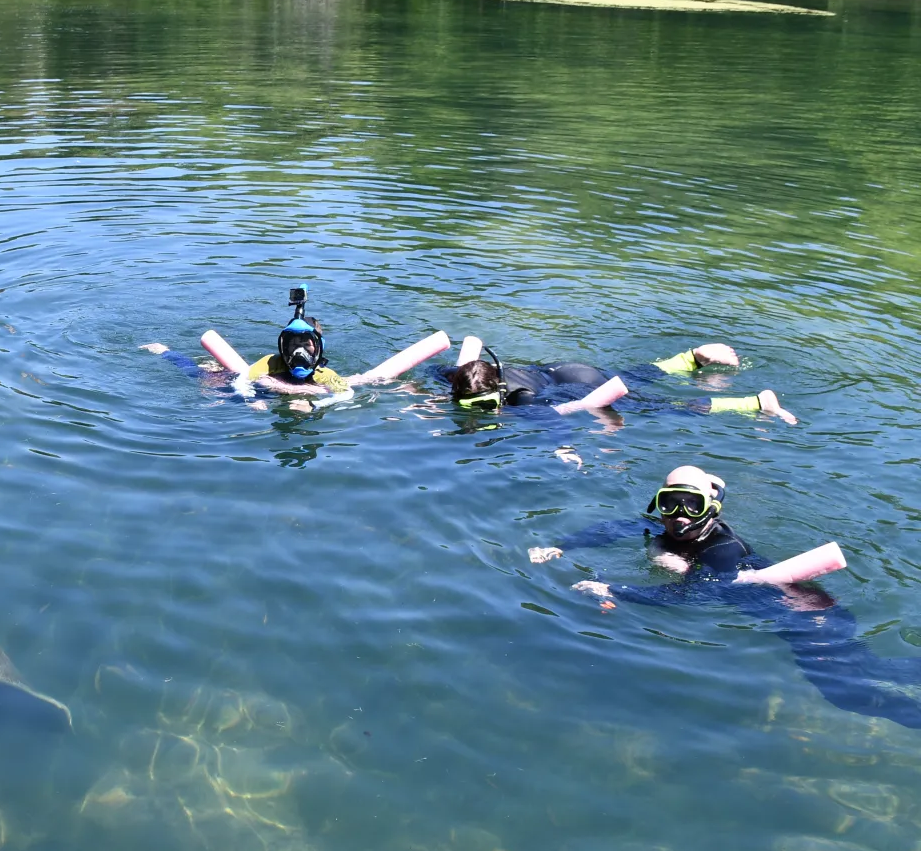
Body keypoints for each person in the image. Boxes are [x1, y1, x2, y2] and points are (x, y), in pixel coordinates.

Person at [529, 466, 921, 730]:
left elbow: (693, 594)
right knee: (872, 668)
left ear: (711, 509)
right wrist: (561, 546)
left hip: (811, 621)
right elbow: (612, 530)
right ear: (658, 505)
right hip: (806, 613)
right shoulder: (667, 531)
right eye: (669, 503)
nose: (679, 515)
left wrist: (615, 590)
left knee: (847, 692)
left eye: (692, 505)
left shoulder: (723, 548)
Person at [142, 287, 438, 410]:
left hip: (290, 393)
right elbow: (243, 380)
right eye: (292, 344)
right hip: (261, 391)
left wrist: (314, 405)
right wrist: (250, 399)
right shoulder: (271, 362)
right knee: (206, 379)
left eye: (305, 345)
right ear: (282, 345)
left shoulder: (324, 374)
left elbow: (346, 394)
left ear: (318, 349)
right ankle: (166, 351)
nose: (298, 352)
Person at [447, 342, 796, 423]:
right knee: (632, 377)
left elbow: (553, 420)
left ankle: (754, 402)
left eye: (487, 406)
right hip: (564, 369)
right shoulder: (460, 377)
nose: (482, 414)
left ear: (499, 393)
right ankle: (690, 358)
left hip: (575, 383)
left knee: (655, 407)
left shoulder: (520, 398)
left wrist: (564, 450)